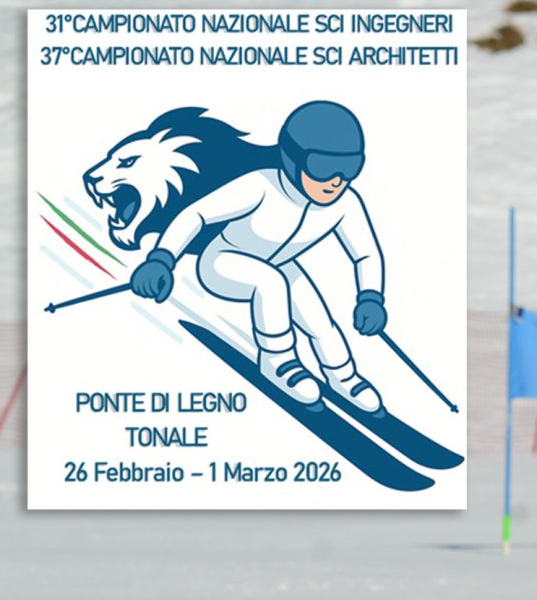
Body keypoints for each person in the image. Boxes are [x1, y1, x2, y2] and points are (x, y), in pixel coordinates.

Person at [127, 100, 388, 412]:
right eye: (321, 167)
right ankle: (278, 361)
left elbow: (366, 254)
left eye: (349, 169)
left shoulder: (345, 204)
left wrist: (371, 297)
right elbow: (197, 214)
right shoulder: (263, 185)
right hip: (222, 262)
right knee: (271, 283)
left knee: (318, 320)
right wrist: (162, 259)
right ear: (293, 160)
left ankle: (343, 376)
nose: (336, 180)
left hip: (278, 264)